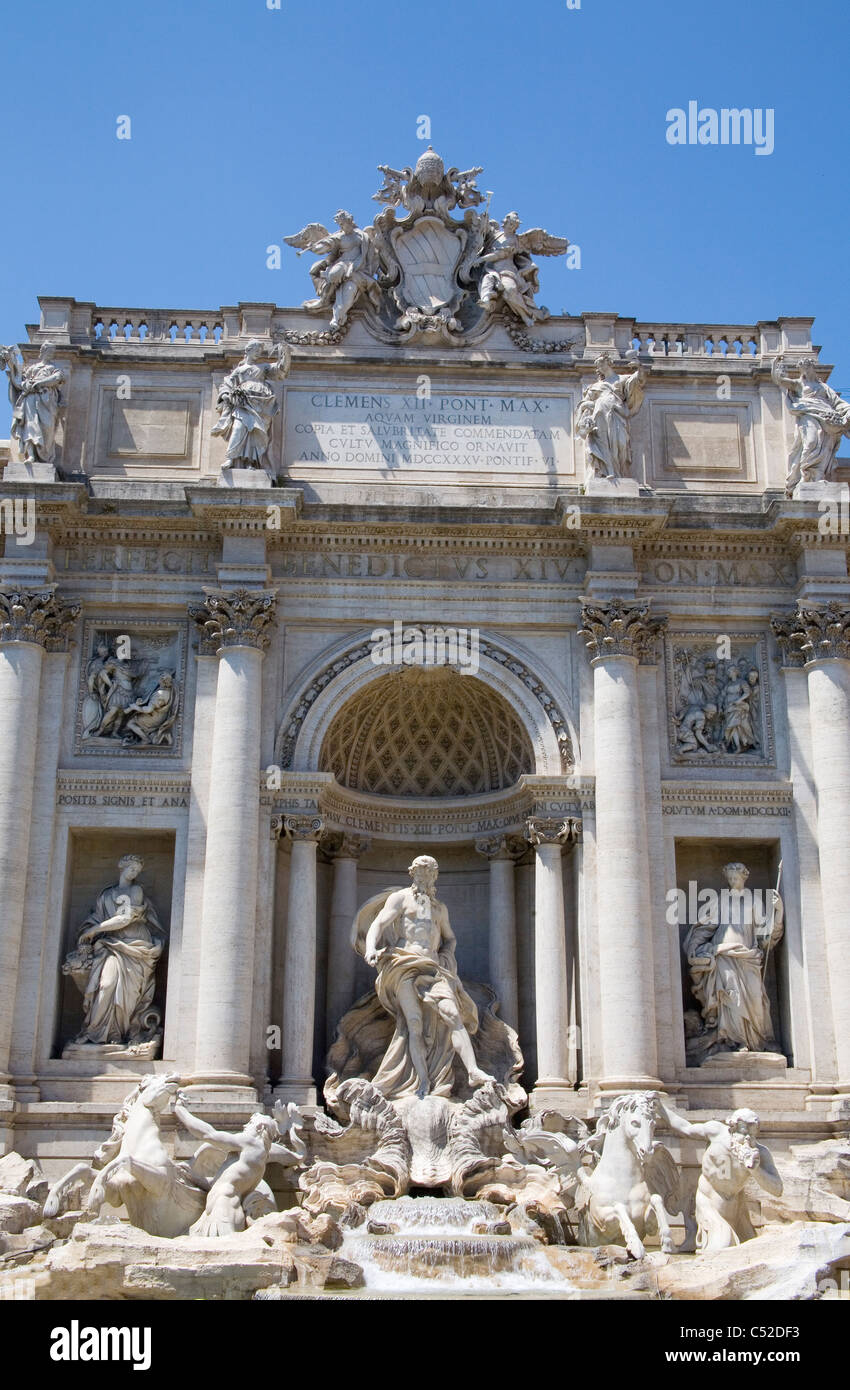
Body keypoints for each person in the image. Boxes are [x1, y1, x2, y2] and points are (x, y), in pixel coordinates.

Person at [362, 854, 494, 1100]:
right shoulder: (400, 898)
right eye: (422, 872)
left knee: (453, 1014)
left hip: (433, 967)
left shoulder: (439, 908)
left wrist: (447, 956)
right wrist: (371, 948)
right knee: (413, 1023)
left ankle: (474, 1070)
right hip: (403, 963)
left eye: (431, 872)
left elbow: (450, 938)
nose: (426, 876)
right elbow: (379, 924)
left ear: (435, 876)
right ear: (412, 873)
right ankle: (421, 1081)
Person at [64, 855, 165, 1047]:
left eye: (137, 871)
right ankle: (95, 1032)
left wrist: (96, 929)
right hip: (111, 945)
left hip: (135, 946)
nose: (134, 873)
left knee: (127, 994)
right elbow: (96, 916)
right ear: (122, 868)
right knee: (106, 985)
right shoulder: (106, 895)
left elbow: (124, 919)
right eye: (131, 869)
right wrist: (88, 931)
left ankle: (117, 1035)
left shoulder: (136, 891)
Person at [684, 862, 783, 1054]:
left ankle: (755, 1041)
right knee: (730, 997)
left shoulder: (754, 901)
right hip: (724, 955)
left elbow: (766, 937)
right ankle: (732, 1041)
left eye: (735, 878)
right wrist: (695, 949)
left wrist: (778, 911)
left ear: (744, 878)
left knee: (755, 1000)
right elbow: (703, 928)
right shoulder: (719, 901)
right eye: (729, 878)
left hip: (748, 958)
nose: (732, 881)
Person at [661, 1105, 782, 1252]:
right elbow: (686, 1128)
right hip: (707, 1201)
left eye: (753, 1133)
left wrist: (756, 1171)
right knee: (721, 1246)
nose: (748, 1138)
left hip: (736, 1208)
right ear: (732, 1127)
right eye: (743, 1131)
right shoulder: (716, 1132)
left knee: (751, 1250)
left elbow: (777, 1189)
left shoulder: (760, 1154)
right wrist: (660, 1108)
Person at [211, 339, 290, 470]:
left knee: (256, 432)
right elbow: (225, 384)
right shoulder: (239, 370)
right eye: (256, 350)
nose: (259, 353)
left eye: (260, 351)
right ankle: (231, 458)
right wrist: (225, 395)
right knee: (238, 428)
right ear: (248, 350)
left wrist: (285, 353)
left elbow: (280, 369)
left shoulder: (263, 367)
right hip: (243, 403)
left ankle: (251, 462)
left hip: (262, 404)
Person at [575, 352, 648, 479]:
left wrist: (639, 367)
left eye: (601, 363)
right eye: (598, 365)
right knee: (602, 443)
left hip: (617, 415)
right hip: (599, 415)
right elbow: (584, 403)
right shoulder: (595, 386)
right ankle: (607, 471)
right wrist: (584, 413)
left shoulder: (622, 379)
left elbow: (639, 380)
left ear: (609, 363)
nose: (600, 367)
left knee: (621, 444)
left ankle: (619, 473)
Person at [0, 340, 67, 465]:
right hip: (31, 398)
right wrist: (11, 362)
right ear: (43, 351)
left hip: (46, 400)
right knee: (30, 426)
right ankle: (31, 455)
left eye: (53, 351)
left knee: (47, 427)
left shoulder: (54, 368)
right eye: (50, 351)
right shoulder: (32, 368)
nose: (51, 353)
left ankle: (43, 456)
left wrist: (40, 383)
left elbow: (57, 378)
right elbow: (19, 380)